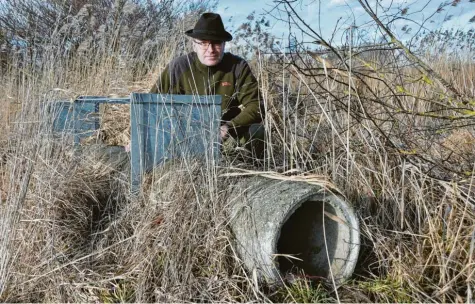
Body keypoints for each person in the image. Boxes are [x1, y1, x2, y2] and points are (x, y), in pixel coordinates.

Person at [150, 12, 265, 159]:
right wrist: (137, 139)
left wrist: (228, 128)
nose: (210, 50)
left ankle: (252, 173)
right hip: (184, 137)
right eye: (204, 43)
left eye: (216, 43)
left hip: (225, 138)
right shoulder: (179, 67)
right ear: (194, 45)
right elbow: (150, 104)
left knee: (257, 130)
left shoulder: (237, 66)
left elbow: (257, 106)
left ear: (224, 44)